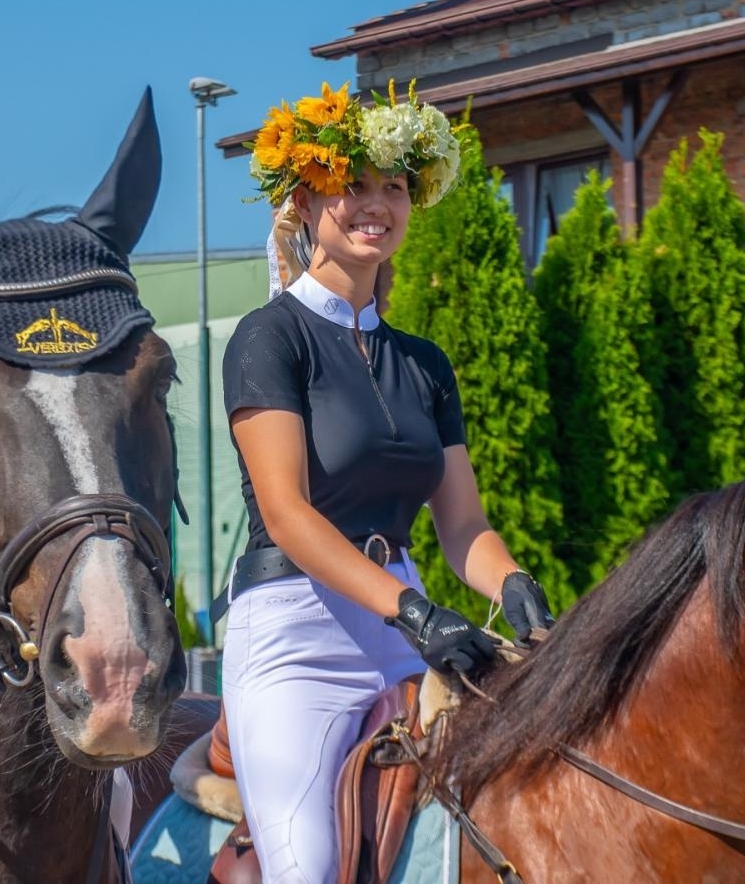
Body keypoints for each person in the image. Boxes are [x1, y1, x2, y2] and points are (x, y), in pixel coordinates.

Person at [220, 81, 557, 883]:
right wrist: (414, 607)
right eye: (354, 184)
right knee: (307, 870)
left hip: (404, 630)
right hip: (294, 639)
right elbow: (289, 514)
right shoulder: (268, 339)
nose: (377, 204)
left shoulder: (425, 364)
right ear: (304, 203)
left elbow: (463, 525)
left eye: (394, 187)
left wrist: (513, 583)